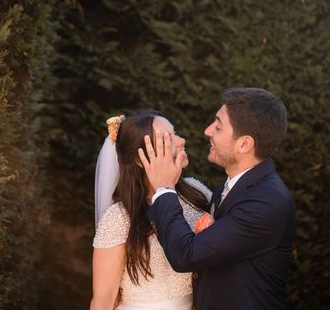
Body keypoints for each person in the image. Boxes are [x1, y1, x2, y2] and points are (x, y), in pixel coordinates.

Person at [139, 87, 295, 310]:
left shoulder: (267, 201)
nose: (207, 131)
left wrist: (163, 188)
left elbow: (187, 255)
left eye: (218, 126)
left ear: (244, 144)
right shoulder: (230, 186)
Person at [90, 110, 212, 310]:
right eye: (168, 139)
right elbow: (103, 299)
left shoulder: (197, 193)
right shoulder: (119, 218)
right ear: (140, 160)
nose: (181, 141)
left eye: (176, 133)